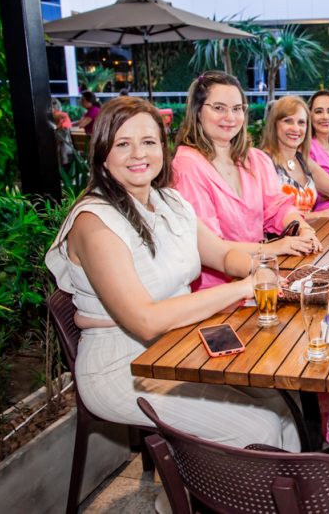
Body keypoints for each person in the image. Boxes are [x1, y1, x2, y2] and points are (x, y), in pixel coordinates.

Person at [45, 96, 300, 453]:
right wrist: (245, 287)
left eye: (148, 142)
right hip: (122, 365)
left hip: (178, 347)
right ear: (102, 151)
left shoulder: (169, 201)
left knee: (281, 403)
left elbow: (224, 255)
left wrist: (269, 270)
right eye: (123, 144)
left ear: (162, 149)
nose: (139, 154)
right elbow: (146, 321)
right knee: (260, 426)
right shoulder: (94, 223)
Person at [172, 71, 321, 292]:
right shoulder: (186, 166)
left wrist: (304, 229)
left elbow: (277, 207)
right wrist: (275, 248)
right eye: (219, 108)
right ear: (197, 112)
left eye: (237, 108)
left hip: (261, 279)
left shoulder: (255, 159)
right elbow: (212, 247)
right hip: (217, 295)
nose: (230, 117)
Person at [260, 96, 329, 214]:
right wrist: (324, 214)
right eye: (288, 121)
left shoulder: (302, 159)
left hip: (311, 231)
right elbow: (269, 218)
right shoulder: (263, 162)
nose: (295, 128)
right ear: (274, 124)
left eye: (301, 122)